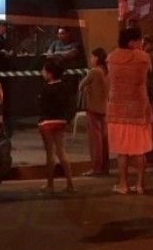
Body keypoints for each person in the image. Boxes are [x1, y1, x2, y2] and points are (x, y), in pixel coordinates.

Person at [106, 27, 153, 195]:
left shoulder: (111, 57)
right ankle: (139, 185)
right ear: (132, 42)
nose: (142, 44)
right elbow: (149, 73)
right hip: (139, 109)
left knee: (122, 152)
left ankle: (123, 184)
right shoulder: (143, 57)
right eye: (140, 41)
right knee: (139, 151)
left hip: (117, 109)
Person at [37, 58, 76, 194]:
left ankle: (50, 185)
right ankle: (70, 184)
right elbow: (69, 105)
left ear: (50, 73)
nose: (42, 73)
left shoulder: (45, 88)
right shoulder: (64, 87)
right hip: (61, 122)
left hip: (47, 122)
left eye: (44, 71)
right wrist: (68, 120)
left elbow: (41, 106)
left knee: (50, 154)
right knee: (61, 151)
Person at [79, 47, 110, 176]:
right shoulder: (107, 71)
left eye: (92, 57)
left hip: (93, 108)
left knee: (95, 140)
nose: (91, 59)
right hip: (105, 108)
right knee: (104, 139)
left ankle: (96, 167)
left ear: (97, 58)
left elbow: (81, 85)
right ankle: (104, 167)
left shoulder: (94, 71)